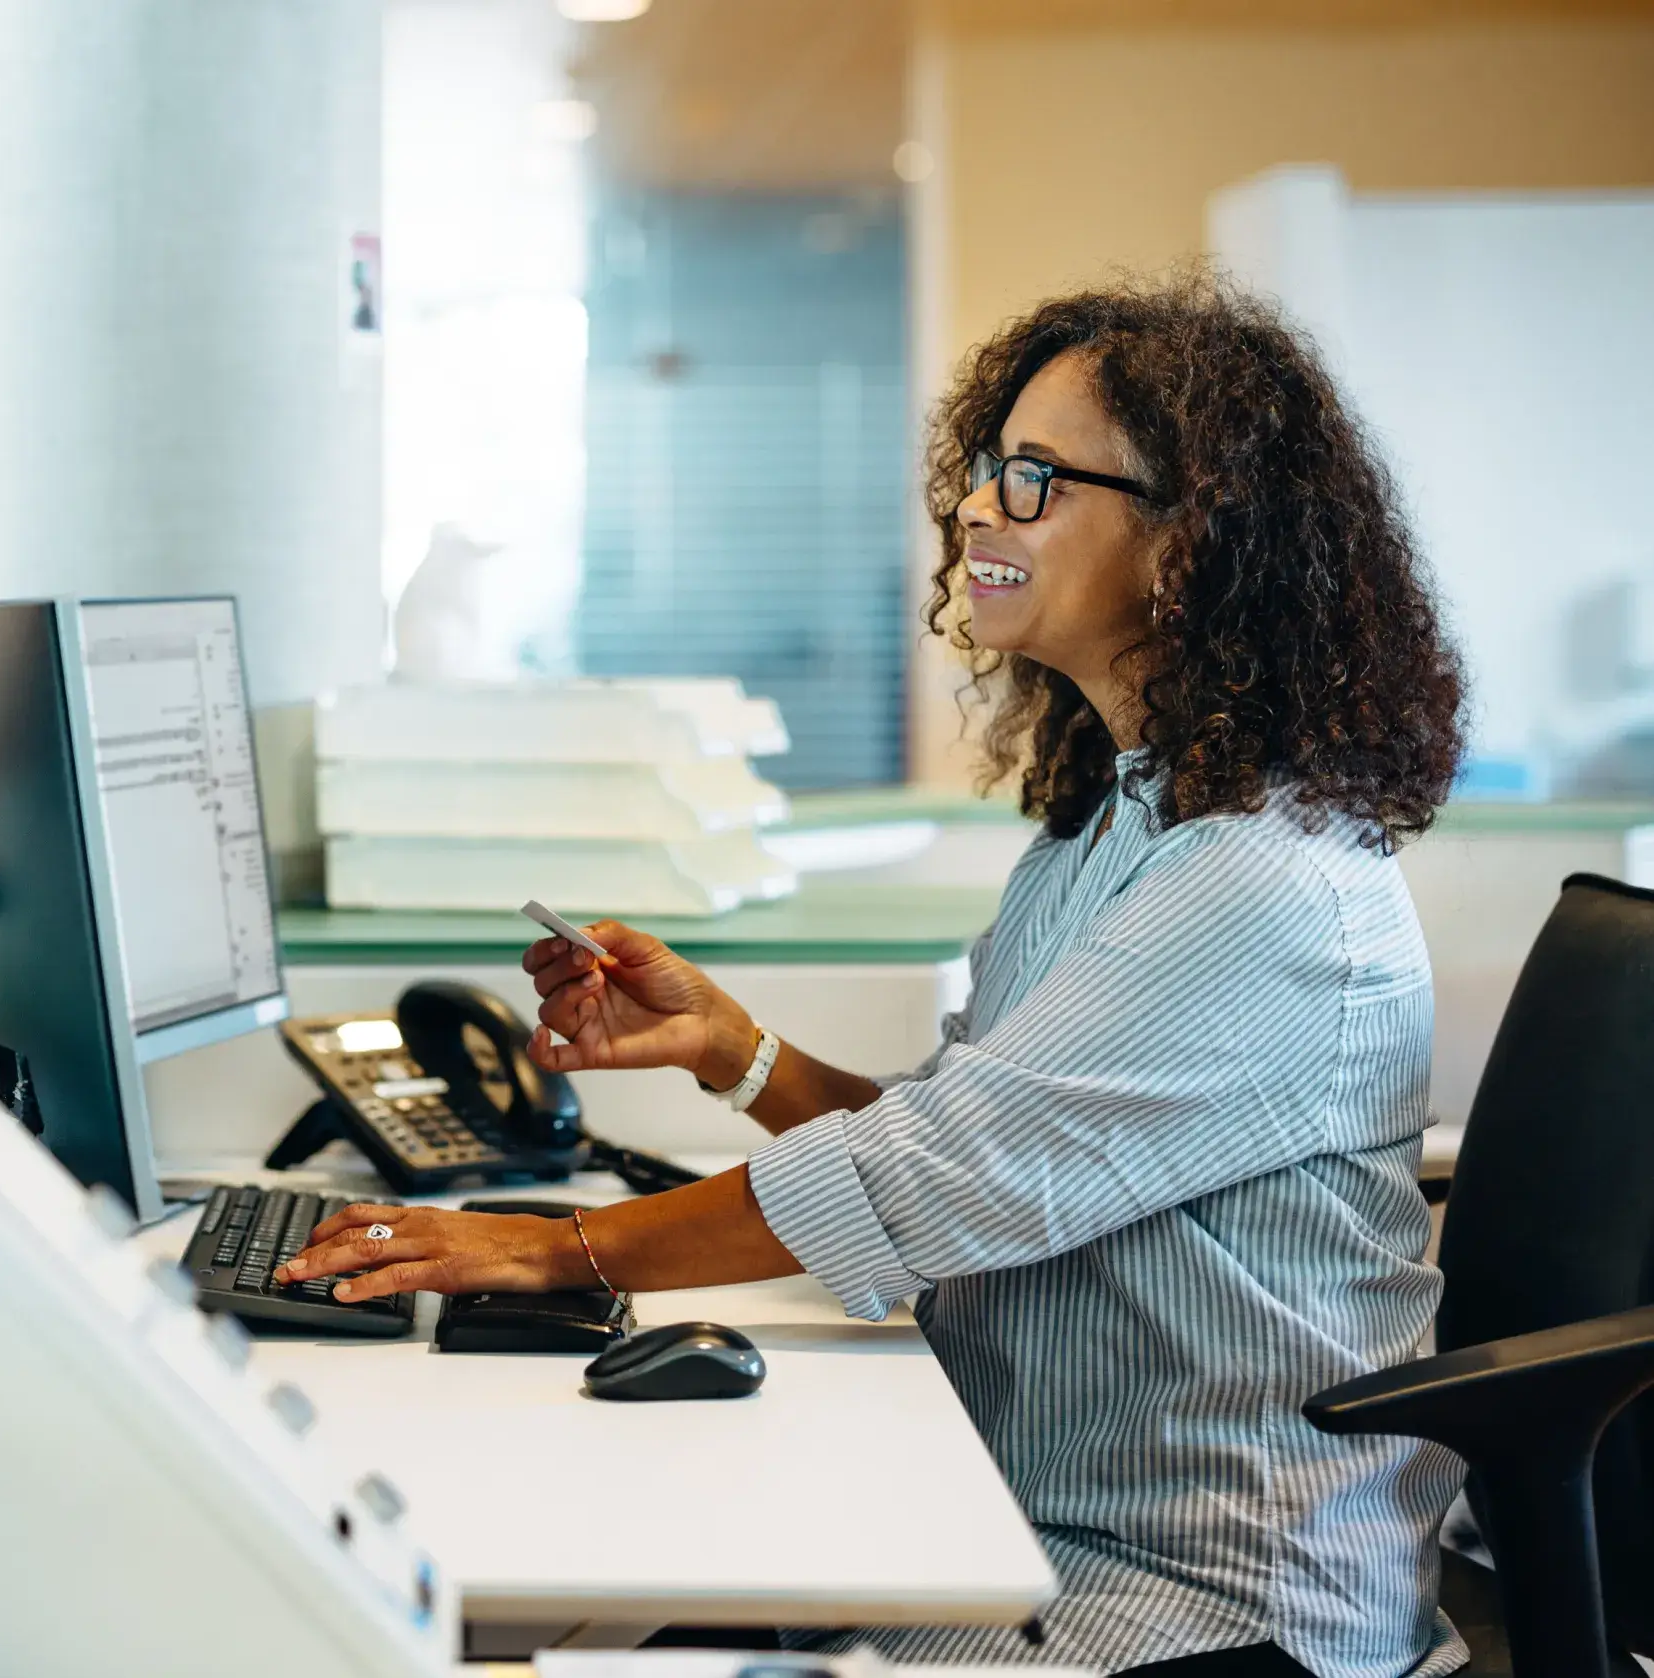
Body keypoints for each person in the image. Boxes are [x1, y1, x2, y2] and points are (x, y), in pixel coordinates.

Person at [278, 271, 1469, 1677]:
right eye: (985, 468)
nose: (975, 508)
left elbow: (932, 1175)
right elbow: (980, 1127)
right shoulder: (1126, 818)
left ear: (1189, 539)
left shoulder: (1258, 886)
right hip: (1021, 1518)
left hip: (1195, 1603)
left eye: (1035, 478)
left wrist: (558, 1249)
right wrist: (737, 1052)